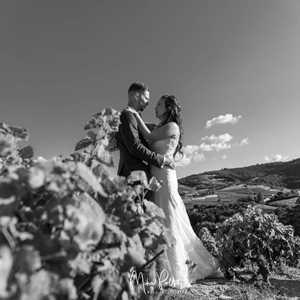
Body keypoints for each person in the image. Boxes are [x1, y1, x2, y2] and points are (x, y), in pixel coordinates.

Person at [130, 94, 220, 289]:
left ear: (168, 108)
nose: (155, 107)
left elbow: (149, 136)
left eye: (159, 105)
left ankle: (177, 271)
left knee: (168, 219)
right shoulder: (160, 126)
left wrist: (134, 114)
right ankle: (160, 267)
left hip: (165, 177)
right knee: (159, 220)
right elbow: (146, 131)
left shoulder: (172, 127)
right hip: (155, 177)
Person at [117, 82, 175, 180]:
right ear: (136, 96)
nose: (148, 102)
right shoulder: (127, 116)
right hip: (134, 175)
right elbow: (135, 147)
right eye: (146, 98)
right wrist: (163, 160)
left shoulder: (133, 117)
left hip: (138, 174)